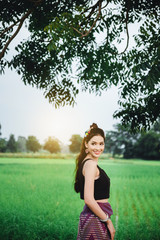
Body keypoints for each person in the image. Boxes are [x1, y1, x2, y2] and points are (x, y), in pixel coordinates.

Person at [74, 123, 115, 240]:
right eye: (94, 143)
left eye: (101, 144)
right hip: (95, 218)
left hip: (93, 216)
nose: (98, 148)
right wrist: (108, 221)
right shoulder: (91, 164)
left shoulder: (86, 162)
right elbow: (89, 199)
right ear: (86, 144)